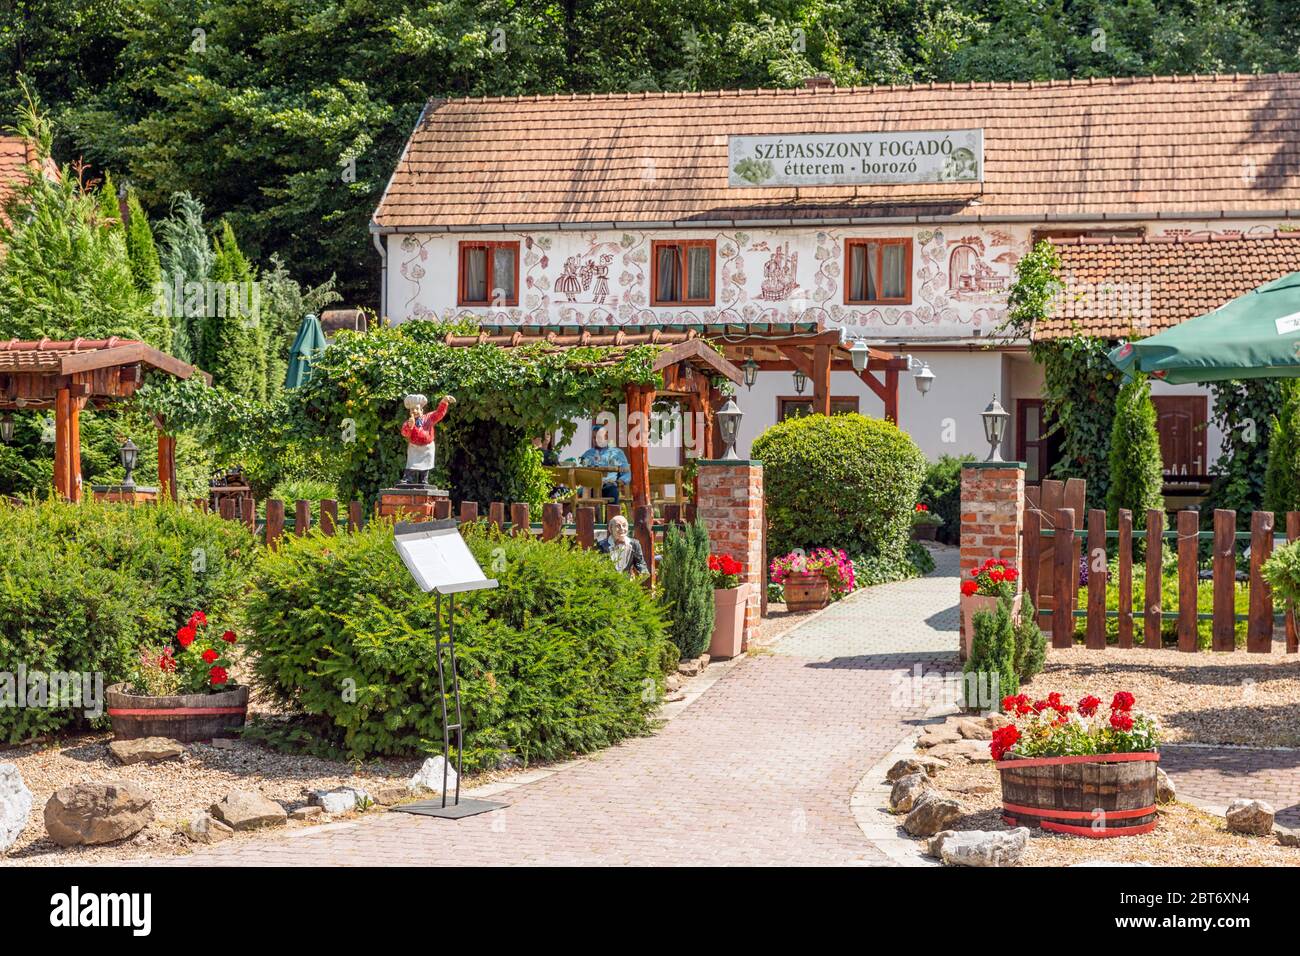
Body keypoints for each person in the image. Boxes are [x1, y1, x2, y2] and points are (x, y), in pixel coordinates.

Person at [399, 393, 455, 486]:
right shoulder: (408, 422)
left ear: (421, 410)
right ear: (409, 412)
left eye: (417, 409)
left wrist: (444, 402)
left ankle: (423, 480)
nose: (415, 411)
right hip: (414, 446)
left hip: (427, 446)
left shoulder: (429, 418)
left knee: (426, 464)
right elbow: (404, 433)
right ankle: (407, 479)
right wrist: (410, 426)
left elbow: (439, 413)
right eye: (412, 409)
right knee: (412, 463)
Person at [579, 422, 630, 503]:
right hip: (590, 487)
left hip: (608, 485)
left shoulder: (617, 453)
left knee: (613, 492)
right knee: (579, 493)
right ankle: (585, 515)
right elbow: (579, 470)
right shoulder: (587, 454)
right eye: (593, 438)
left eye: (598, 437)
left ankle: (612, 515)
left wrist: (617, 482)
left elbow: (627, 473)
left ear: (606, 437)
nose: (595, 440)